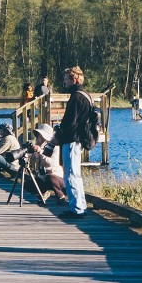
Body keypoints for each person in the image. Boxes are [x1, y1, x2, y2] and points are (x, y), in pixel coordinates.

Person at [51, 67, 99, 219]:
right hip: (78, 140)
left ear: (74, 79)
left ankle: (76, 208)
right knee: (75, 175)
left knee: (70, 175)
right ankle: (80, 206)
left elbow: (70, 123)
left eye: (66, 79)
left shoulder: (76, 97)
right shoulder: (85, 96)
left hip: (72, 140)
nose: (64, 82)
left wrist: (59, 133)